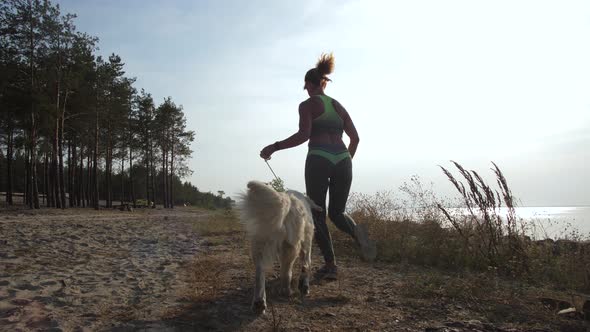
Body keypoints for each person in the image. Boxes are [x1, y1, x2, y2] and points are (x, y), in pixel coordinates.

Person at [260, 53, 376, 280]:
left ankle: (331, 266)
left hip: (319, 159)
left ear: (311, 85)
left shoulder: (307, 105)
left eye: (305, 86)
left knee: (318, 212)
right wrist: (347, 161)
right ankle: (357, 233)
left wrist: (274, 147)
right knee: (338, 212)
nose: (305, 90)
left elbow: (304, 135)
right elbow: (356, 139)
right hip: (343, 160)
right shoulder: (339, 106)